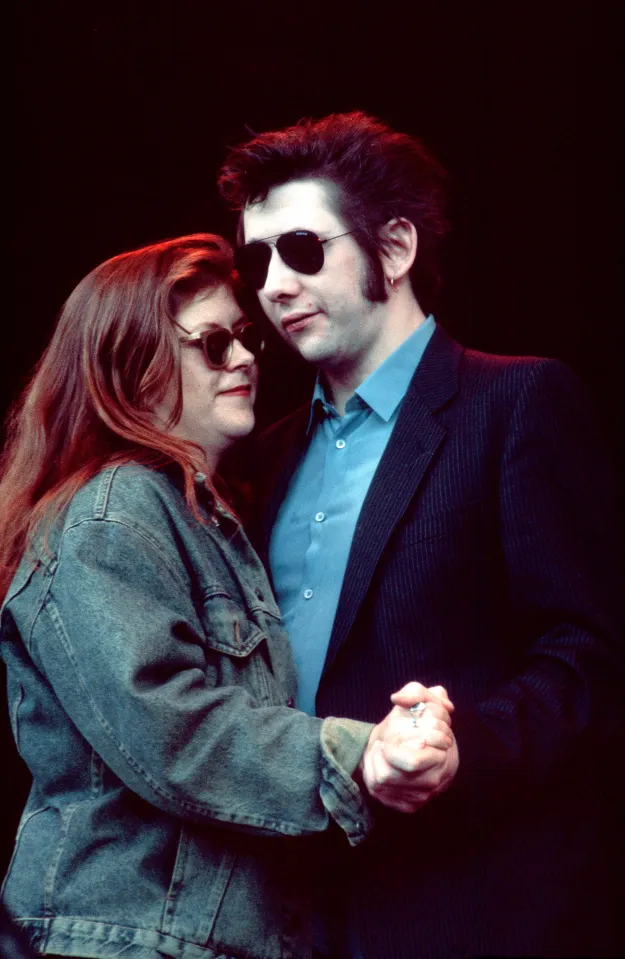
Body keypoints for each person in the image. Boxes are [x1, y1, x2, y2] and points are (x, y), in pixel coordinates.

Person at [218, 113, 625, 958]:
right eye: (255, 260)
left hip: (461, 909)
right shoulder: (263, 451)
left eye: (300, 248)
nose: (272, 285)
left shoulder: (515, 404)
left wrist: (455, 750)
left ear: (394, 248)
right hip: (287, 913)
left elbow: (589, 656)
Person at [0, 233, 457, 959]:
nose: (246, 357)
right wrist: (356, 751)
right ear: (132, 365)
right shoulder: (112, 510)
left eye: (243, 338)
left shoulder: (200, 513)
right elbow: (171, 731)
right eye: (213, 345)